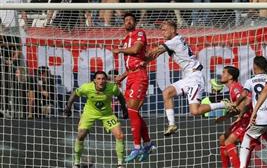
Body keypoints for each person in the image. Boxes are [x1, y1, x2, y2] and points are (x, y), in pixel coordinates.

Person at [147, 21, 236, 137]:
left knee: (195, 111)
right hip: (188, 76)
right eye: (162, 30)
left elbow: (154, 52)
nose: (162, 32)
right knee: (167, 92)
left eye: (165, 29)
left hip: (195, 77)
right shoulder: (175, 41)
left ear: (173, 30)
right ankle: (172, 125)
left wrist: (139, 53)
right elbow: (155, 54)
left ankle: (224, 104)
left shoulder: (174, 41)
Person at [112, 13, 155, 162]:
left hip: (140, 76)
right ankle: (148, 143)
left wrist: (121, 50)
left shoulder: (139, 33)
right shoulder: (124, 40)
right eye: (126, 20)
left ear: (135, 23)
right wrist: (121, 77)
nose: (128, 22)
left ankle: (137, 147)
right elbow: (130, 65)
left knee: (132, 110)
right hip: (131, 77)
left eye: (131, 20)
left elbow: (136, 50)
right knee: (133, 112)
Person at [64, 71, 128, 168]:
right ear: (94, 80)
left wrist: (124, 109)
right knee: (81, 135)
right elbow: (75, 93)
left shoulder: (112, 87)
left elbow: (120, 96)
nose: (101, 81)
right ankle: (76, 163)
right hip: (89, 114)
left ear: (106, 80)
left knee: (120, 135)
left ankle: (120, 164)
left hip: (107, 114)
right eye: (98, 79)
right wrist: (68, 107)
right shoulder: (87, 87)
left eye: (103, 79)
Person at [216, 66, 248, 168]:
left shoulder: (236, 88)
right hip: (242, 119)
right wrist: (225, 117)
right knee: (222, 139)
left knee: (229, 141)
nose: (222, 74)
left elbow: (243, 104)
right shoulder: (232, 88)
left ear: (230, 76)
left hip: (247, 120)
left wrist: (227, 115)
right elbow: (239, 107)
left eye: (224, 72)